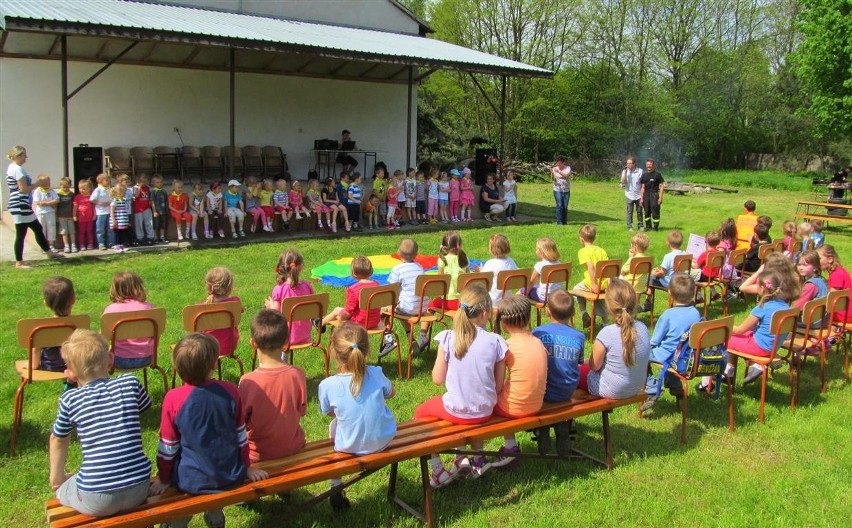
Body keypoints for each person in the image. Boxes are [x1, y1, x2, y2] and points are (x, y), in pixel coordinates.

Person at [150, 333, 267, 527]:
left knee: (185, 485)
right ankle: (215, 517)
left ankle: (176, 522)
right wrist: (246, 467)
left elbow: (168, 446)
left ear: (177, 368)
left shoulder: (173, 398)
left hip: (191, 479)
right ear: (213, 364)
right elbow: (241, 436)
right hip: (230, 474)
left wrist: (163, 478)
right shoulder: (229, 391)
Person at [49, 329, 152, 517]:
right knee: (81, 480)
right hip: (139, 487)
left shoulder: (70, 399)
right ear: (110, 360)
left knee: (65, 487)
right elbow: (145, 406)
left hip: (97, 499)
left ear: (70, 373)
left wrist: (57, 480)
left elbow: (58, 439)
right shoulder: (130, 383)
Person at [414, 284, 507, 488]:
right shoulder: (495, 341)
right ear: (485, 314)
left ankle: (439, 470)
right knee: (470, 404)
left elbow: (437, 379)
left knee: (420, 413)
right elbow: (499, 386)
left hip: (457, 409)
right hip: (485, 410)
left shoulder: (448, 338)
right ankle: (474, 458)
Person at [319, 322, 396, 509]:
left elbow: (328, 411)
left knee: (334, 426)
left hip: (349, 446)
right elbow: (391, 393)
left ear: (334, 353)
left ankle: (336, 485)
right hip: (383, 439)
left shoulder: (328, 385)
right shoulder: (376, 373)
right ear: (367, 350)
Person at [700, 270, 790, 388]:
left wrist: (719, 326)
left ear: (762, 288)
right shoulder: (785, 306)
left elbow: (740, 330)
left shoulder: (763, 307)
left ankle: (706, 384)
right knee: (736, 338)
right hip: (772, 346)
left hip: (759, 347)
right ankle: (730, 372)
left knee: (722, 337)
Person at [238, 309, 307, 463]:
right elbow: (302, 411)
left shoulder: (247, 381)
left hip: (257, 454)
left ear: (253, 343)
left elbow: (240, 421)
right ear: (286, 343)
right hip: (292, 446)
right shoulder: (297, 374)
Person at [489, 295, 547, 469]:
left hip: (513, 408)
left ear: (504, 323)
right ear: (528, 318)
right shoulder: (538, 342)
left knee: (488, 401)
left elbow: (497, 386)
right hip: (537, 404)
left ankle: (510, 447)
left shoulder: (506, 346)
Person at [531, 290, 584, 455]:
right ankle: (562, 427)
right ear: (573, 313)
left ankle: (543, 429)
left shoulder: (538, 333)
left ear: (548, 311)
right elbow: (579, 363)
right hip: (567, 390)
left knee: (542, 382)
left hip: (543, 392)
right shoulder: (579, 336)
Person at [578, 279, 651, 398]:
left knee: (574, 372)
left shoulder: (607, 333)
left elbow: (594, 366)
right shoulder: (642, 328)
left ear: (609, 306)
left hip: (612, 390)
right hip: (636, 386)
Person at [641, 273, 702, 411]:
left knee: (641, 355)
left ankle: (651, 388)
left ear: (669, 292)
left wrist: (642, 346)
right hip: (686, 356)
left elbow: (655, 340)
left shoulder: (667, 315)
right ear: (693, 293)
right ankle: (674, 385)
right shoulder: (695, 313)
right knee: (670, 351)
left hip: (667, 355)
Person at [5, 146, 58, 268]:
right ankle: (19, 262)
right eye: (24, 155)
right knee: (22, 233)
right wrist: (38, 184)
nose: (26, 158)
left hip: (19, 204)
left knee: (37, 228)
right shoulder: (17, 169)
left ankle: (49, 253)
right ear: (18, 156)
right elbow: (23, 190)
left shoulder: (12, 168)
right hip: (20, 204)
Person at [384, 239, 429, 357]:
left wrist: (389, 306)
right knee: (403, 307)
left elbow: (391, 290)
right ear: (416, 254)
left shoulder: (397, 269)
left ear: (398, 252)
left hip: (408, 308)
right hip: (423, 308)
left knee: (389, 310)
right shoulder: (419, 267)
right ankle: (423, 336)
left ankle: (390, 338)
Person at [103, 271, 155, 370]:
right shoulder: (149, 308)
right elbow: (156, 333)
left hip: (118, 359)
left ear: (115, 289)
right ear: (138, 287)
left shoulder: (110, 310)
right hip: (146, 358)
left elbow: (104, 336)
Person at [265, 248, 315, 346]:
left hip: (284, 338)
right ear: (301, 266)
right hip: (305, 336)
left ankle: (280, 361)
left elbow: (276, 314)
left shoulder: (278, 289)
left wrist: (269, 306)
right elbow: (312, 308)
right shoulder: (307, 286)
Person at [321, 256, 382, 329]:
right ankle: (323, 322)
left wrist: (341, 318)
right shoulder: (377, 285)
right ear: (371, 271)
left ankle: (320, 323)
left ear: (353, 273)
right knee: (339, 312)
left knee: (337, 310)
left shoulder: (354, 289)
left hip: (359, 324)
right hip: (375, 322)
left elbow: (347, 312)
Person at [36, 277, 75, 378]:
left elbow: (35, 350)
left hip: (48, 367)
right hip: (74, 366)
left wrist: (32, 365)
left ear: (45, 303)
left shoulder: (41, 327)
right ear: (73, 299)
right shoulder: (80, 322)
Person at [200, 266, 241, 361]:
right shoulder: (235, 303)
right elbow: (241, 310)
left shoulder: (199, 308)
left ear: (208, 287)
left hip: (206, 348)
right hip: (229, 346)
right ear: (230, 287)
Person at [573, 224, 609, 329]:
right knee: (600, 299)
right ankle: (606, 324)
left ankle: (584, 313)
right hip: (604, 283)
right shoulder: (601, 250)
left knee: (576, 289)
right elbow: (607, 267)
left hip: (591, 282)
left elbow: (590, 266)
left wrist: (593, 284)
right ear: (594, 238)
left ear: (581, 239)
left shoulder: (583, 251)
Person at [643, 230, 687, 312]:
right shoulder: (685, 254)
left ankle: (648, 301)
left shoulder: (668, 256)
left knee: (649, 278)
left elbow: (662, 274)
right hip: (681, 281)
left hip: (669, 283)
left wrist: (654, 273)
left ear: (667, 243)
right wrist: (659, 271)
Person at [428, 231, 469, 312]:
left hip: (448, 302)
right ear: (459, 245)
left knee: (428, 306)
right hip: (463, 302)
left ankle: (426, 325)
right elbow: (468, 278)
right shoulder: (464, 258)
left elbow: (439, 282)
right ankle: (457, 322)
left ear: (444, 246)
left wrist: (438, 296)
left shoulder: (442, 260)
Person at [479, 233, 518, 304]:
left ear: (491, 249)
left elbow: (482, 280)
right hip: (508, 300)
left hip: (493, 301)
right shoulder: (511, 261)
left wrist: (479, 270)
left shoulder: (490, 263)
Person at [818, 245, 851, 323]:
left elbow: (831, 299)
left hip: (845, 315)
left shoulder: (836, 274)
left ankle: (832, 334)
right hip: (846, 312)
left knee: (814, 316)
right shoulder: (839, 270)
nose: (816, 261)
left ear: (830, 259)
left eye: (819, 259)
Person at [528, 237, 562, 302]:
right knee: (536, 287)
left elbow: (531, 282)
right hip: (558, 295)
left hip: (544, 297)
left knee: (523, 290)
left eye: (537, 249)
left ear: (541, 252)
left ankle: (513, 306)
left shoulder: (540, 265)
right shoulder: (558, 263)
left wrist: (525, 294)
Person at [33, 174, 59, 252]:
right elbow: (38, 202)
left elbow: (57, 200)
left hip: (50, 212)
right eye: (45, 183)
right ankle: (43, 246)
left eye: (48, 182)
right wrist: (50, 203)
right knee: (42, 229)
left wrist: (46, 203)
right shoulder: (37, 191)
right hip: (41, 213)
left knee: (51, 228)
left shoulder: (51, 191)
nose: (47, 184)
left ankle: (51, 245)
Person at [639, 158, 664, 231]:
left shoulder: (657, 175)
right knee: (646, 212)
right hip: (646, 195)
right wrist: (641, 198)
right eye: (647, 164)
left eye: (650, 164)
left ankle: (656, 227)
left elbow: (662, 186)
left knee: (655, 211)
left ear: (653, 165)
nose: (648, 166)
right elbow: (642, 187)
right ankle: (648, 227)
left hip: (654, 194)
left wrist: (660, 198)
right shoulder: (644, 175)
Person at [620, 156, 643, 231]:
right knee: (630, 211)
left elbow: (643, 183)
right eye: (627, 163)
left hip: (639, 195)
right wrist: (626, 173)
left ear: (634, 164)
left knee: (639, 211)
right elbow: (623, 182)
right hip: (629, 194)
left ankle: (640, 225)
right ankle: (630, 226)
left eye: (630, 163)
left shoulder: (640, 171)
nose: (628, 165)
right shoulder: (625, 171)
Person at [55, 177, 77, 253]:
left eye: (67, 187)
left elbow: (74, 205)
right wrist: (56, 216)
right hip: (61, 217)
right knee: (64, 232)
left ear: (70, 186)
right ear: (60, 186)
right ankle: (66, 245)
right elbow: (56, 206)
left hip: (70, 216)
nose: (65, 188)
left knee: (72, 231)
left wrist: (74, 215)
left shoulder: (72, 194)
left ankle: (73, 245)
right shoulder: (58, 195)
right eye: (63, 187)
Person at [109, 181, 131, 252]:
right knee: (117, 233)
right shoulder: (115, 201)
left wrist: (127, 220)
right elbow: (112, 211)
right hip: (117, 220)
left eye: (124, 192)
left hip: (123, 220)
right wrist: (113, 220)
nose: (123, 193)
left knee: (122, 233)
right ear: (117, 192)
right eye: (122, 192)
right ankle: (116, 245)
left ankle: (121, 245)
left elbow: (126, 210)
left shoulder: (124, 200)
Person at [74, 179, 95, 251]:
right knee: (81, 232)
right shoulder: (77, 197)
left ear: (89, 189)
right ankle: (81, 244)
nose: (81, 190)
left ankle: (90, 243)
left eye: (84, 189)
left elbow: (93, 206)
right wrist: (74, 215)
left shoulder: (91, 197)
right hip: (81, 218)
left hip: (90, 218)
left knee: (89, 231)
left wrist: (94, 215)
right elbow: (75, 207)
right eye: (80, 188)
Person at [551, 155, 571, 225]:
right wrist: (553, 175)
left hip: (566, 190)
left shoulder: (568, 168)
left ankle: (564, 221)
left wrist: (559, 171)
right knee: (559, 205)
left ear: (563, 163)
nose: (558, 164)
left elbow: (566, 176)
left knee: (565, 206)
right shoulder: (554, 168)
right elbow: (553, 179)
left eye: (560, 163)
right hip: (557, 189)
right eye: (557, 163)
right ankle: (559, 222)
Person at [150, 174, 170, 243]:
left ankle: (162, 237)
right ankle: (155, 237)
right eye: (157, 182)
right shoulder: (153, 191)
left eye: (161, 182)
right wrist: (154, 211)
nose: (159, 184)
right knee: (156, 225)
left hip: (163, 211)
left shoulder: (164, 191)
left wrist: (167, 210)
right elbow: (152, 202)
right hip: (157, 212)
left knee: (163, 225)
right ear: (153, 183)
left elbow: (166, 201)